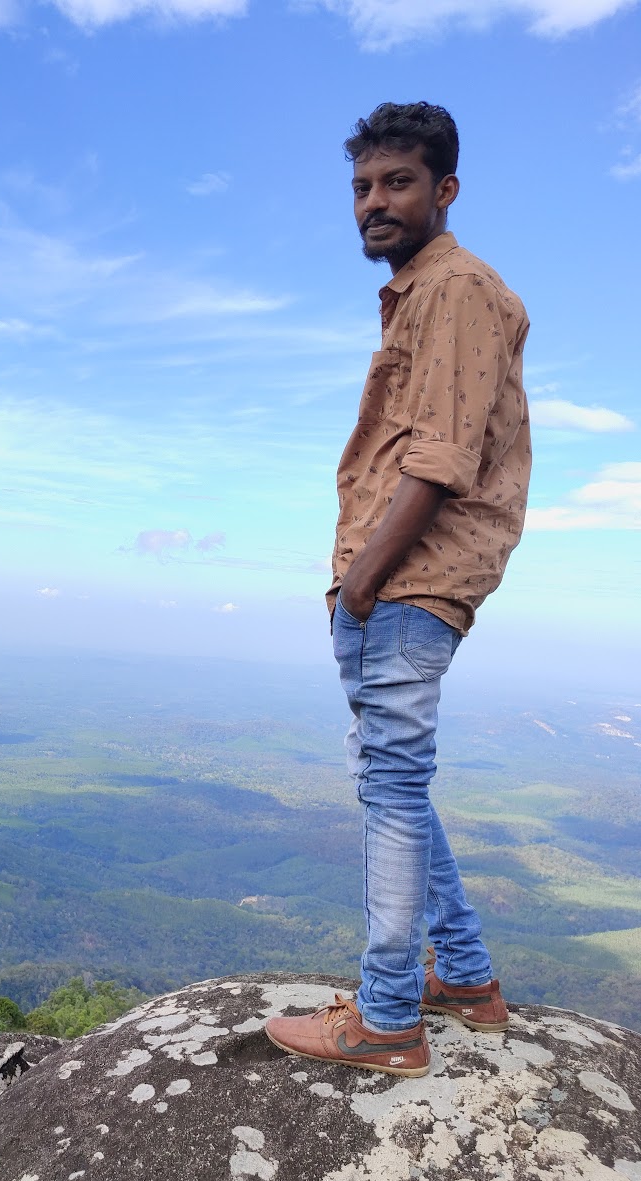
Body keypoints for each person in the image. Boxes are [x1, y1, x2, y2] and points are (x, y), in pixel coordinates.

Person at [265, 102, 532, 1078]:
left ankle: (385, 1020)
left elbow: (441, 455)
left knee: (386, 787)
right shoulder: (421, 293)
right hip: (394, 584)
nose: (374, 203)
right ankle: (461, 975)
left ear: (445, 191)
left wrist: (363, 584)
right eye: (362, 187)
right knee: (396, 783)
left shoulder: (455, 289)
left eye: (398, 183)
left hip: (406, 583)